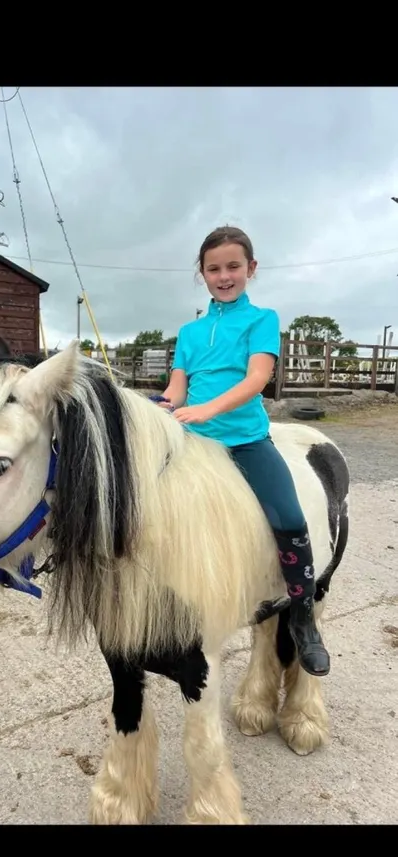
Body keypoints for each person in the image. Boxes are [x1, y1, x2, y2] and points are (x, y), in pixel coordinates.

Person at [157, 224, 331, 677]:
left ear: (251, 268)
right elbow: (177, 386)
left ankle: (303, 618)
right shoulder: (190, 332)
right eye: (213, 268)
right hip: (195, 441)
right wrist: (164, 405)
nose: (224, 275)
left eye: (233, 266)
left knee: (290, 518)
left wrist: (205, 409)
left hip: (246, 440)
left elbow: (256, 379)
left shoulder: (263, 320)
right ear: (202, 274)